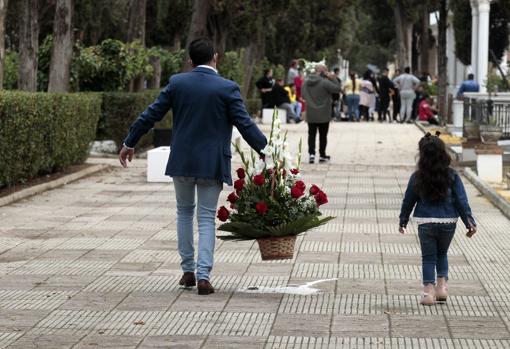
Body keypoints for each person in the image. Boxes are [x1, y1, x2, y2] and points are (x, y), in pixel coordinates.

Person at [119, 37, 267, 295]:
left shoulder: (178, 83)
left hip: (183, 161)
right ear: (216, 57)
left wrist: (130, 141)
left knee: (184, 213)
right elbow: (245, 125)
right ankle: (203, 275)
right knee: (207, 217)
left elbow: (151, 114)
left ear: (190, 60)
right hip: (211, 162)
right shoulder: (227, 88)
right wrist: (266, 151)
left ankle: (187, 271)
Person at [399, 132, 476, 306]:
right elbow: (462, 201)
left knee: (428, 257)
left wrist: (403, 220)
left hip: (425, 221)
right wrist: (469, 222)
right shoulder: (453, 176)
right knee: (442, 253)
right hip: (448, 221)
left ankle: (428, 293)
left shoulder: (417, 176)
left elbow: (408, 200)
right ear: (443, 153)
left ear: (422, 155)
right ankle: (442, 289)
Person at [302, 64, 341, 164]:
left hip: (311, 113)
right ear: (323, 71)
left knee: (311, 135)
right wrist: (334, 78)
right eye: (326, 70)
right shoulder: (325, 83)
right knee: (323, 135)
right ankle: (322, 155)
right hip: (324, 113)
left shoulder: (305, 82)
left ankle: (311, 154)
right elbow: (337, 89)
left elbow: (303, 95)